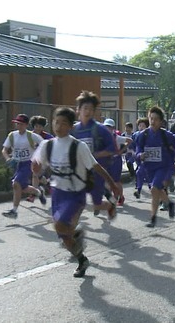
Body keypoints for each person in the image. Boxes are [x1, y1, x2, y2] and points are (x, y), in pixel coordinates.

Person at [31, 107, 120, 278]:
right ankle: (82, 259)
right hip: (57, 193)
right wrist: (35, 169)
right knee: (64, 237)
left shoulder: (78, 146)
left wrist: (112, 184)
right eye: (57, 122)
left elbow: (96, 167)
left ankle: (77, 231)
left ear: (71, 126)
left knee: (59, 224)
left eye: (64, 123)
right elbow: (37, 168)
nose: (59, 126)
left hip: (76, 193)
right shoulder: (47, 145)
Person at [71, 91, 117, 219]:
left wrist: (93, 155)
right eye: (85, 108)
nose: (88, 112)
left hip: (96, 172)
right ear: (78, 110)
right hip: (79, 172)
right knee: (76, 201)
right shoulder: (73, 130)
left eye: (91, 109)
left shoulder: (101, 129)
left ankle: (109, 206)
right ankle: (70, 231)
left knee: (96, 204)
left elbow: (111, 149)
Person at [135, 106, 175, 227]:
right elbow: (138, 149)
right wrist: (140, 155)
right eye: (151, 118)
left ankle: (153, 218)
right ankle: (169, 203)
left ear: (161, 122)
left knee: (154, 189)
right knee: (156, 190)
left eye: (156, 119)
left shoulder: (166, 135)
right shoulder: (143, 135)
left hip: (164, 166)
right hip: (150, 168)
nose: (153, 121)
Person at [1, 113, 46, 218]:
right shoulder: (12, 135)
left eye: (21, 124)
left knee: (16, 184)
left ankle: (14, 211)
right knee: (23, 188)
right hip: (18, 164)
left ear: (26, 125)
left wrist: (39, 156)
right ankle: (38, 192)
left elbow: (44, 144)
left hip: (28, 163)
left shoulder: (31, 135)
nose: (18, 126)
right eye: (17, 123)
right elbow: (4, 150)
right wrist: (8, 159)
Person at [28, 115, 54, 202]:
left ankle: (32, 195)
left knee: (35, 175)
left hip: (43, 159)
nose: (38, 128)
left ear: (43, 127)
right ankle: (47, 183)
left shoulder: (47, 136)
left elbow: (54, 145)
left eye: (40, 126)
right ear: (33, 126)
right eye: (36, 126)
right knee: (37, 176)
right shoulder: (29, 135)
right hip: (31, 158)